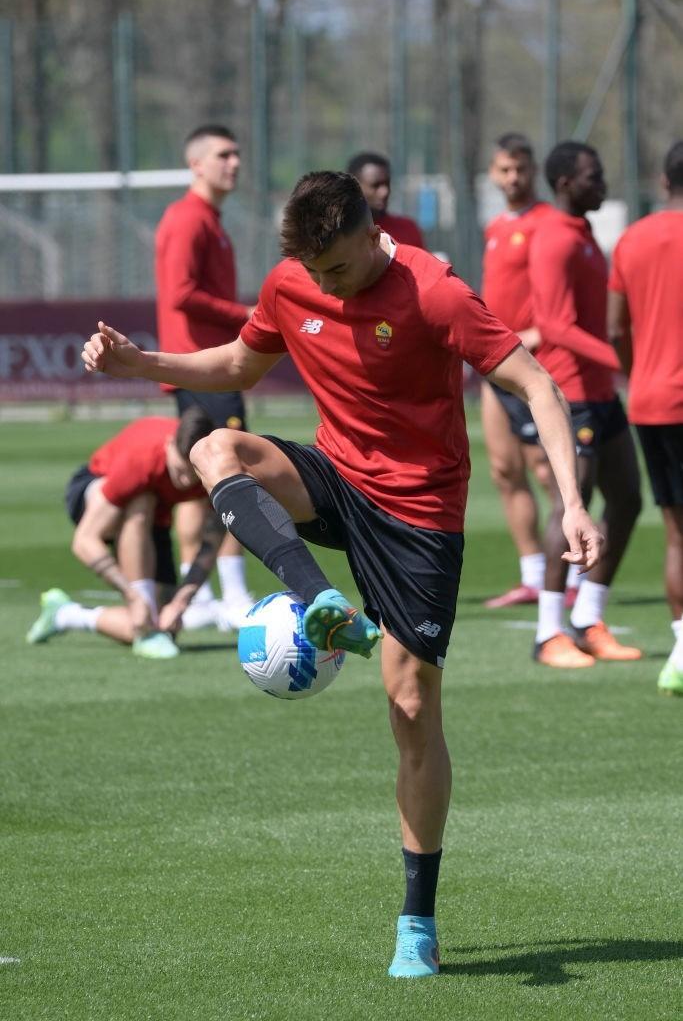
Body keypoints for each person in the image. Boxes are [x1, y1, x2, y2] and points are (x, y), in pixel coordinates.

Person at [82, 171, 602, 978]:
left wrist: (570, 500)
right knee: (214, 449)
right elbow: (236, 366)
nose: (325, 287)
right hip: (337, 479)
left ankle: (416, 921)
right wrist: (135, 362)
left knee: (408, 706)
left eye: (338, 271)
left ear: (370, 233)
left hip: (420, 518)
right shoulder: (293, 283)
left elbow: (532, 380)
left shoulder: (433, 291)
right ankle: (314, 594)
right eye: (314, 275)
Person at [529, 141, 643, 668]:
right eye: (593, 176)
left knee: (628, 499)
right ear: (566, 183)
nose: (602, 183)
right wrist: (620, 359)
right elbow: (552, 325)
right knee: (571, 507)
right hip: (572, 393)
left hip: (603, 393)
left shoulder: (585, 234)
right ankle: (548, 631)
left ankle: (587, 617)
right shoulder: (553, 237)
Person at [155, 123, 256, 630]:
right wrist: (246, 313)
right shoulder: (187, 219)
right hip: (201, 367)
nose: (234, 162)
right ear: (196, 163)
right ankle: (230, 594)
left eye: (237, 154)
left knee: (206, 482)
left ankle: (197, 596)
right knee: (232, 474)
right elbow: (180, 293)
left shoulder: (211, 221)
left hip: (208, 367)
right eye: (223, 155)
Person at [25, 407, 224, 659]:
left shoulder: (216, 471)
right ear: (169, 444)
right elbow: (84, 541)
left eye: (191, 473)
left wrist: (179, 603)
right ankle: (143, 601)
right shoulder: (142, 459)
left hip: (154, 517)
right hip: (96, 496)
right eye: (179, 470)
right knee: (143, 499)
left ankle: (65, 615)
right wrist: (134, 597)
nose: (184, 481)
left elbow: (211, 544)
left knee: (160, 627)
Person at [481, 132, 582, 608]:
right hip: (490, 361)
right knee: (504, 469)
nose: (513, 177)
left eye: (520, 168)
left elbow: (562, 297)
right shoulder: (496, 226)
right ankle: (532, 575)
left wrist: (536, 335)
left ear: (532, 169)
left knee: (547, 470)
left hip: (529, 361)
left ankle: (574, 573)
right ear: (492, 173)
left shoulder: (548, 223)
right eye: (504, 169)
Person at [608, 140, 683, 695]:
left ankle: (681, 651)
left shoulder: (632, 240)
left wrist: (641, 375)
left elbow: (615, 329)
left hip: (651, 402)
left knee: (676, 534)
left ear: (663, 182)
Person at [347, 151, 425, 248]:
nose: (385, 192)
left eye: (387, 184)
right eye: (375, 185)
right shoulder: (342, 232)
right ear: (354, 186)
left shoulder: (407, 229)